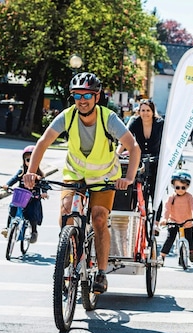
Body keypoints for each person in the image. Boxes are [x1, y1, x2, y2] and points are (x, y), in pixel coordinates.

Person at [23, 72, 140, 294]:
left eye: (87, 95)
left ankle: (102, 273)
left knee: (98, 218)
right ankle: (71, 251)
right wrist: (31, 173)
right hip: (75, 174)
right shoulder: (66, 117)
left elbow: (133, 147)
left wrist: (129, 178)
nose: (82, 100)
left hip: (104, 177)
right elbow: (42, 143)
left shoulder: (109, 118)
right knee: (67, 216)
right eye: (77, 95)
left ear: (97, 96)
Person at [117, 99, 164, 209]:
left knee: (155, 191)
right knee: (133, 185)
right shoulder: (135, 121)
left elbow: (167, 142)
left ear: (153, 112)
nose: (145, 113)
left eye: (148, 110)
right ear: (139, 111)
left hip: (156, 159)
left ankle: (155, 222)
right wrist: (117, 154)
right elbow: (125, 139)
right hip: (139, 159)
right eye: (143, 110)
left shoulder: (160, 123)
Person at [0, 145, 47, 244]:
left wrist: (44, 193)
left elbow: (44, 185)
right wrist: (7, 185)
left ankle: (34, 232)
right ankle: (8, 228)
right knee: (13, 207)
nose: (30, 162)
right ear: (24, 160)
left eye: (33, 159)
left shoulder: (39, 175)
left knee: (32, 214)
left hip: (33, 198)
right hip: (21, 196)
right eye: (28, 159)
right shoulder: (22, 172)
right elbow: (14, 179)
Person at [159, 170, 193, 263]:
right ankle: (162, 256)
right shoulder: (171, 197)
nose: (180, 190)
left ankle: (192, 251)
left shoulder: (189, 197)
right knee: (170, 239)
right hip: (173, 221)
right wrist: (165, 219)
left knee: (190, 239)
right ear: (173, 186)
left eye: (183, 187)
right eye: (177, 187)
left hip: (186, 222)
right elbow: (167, 209)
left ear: (187, 187)